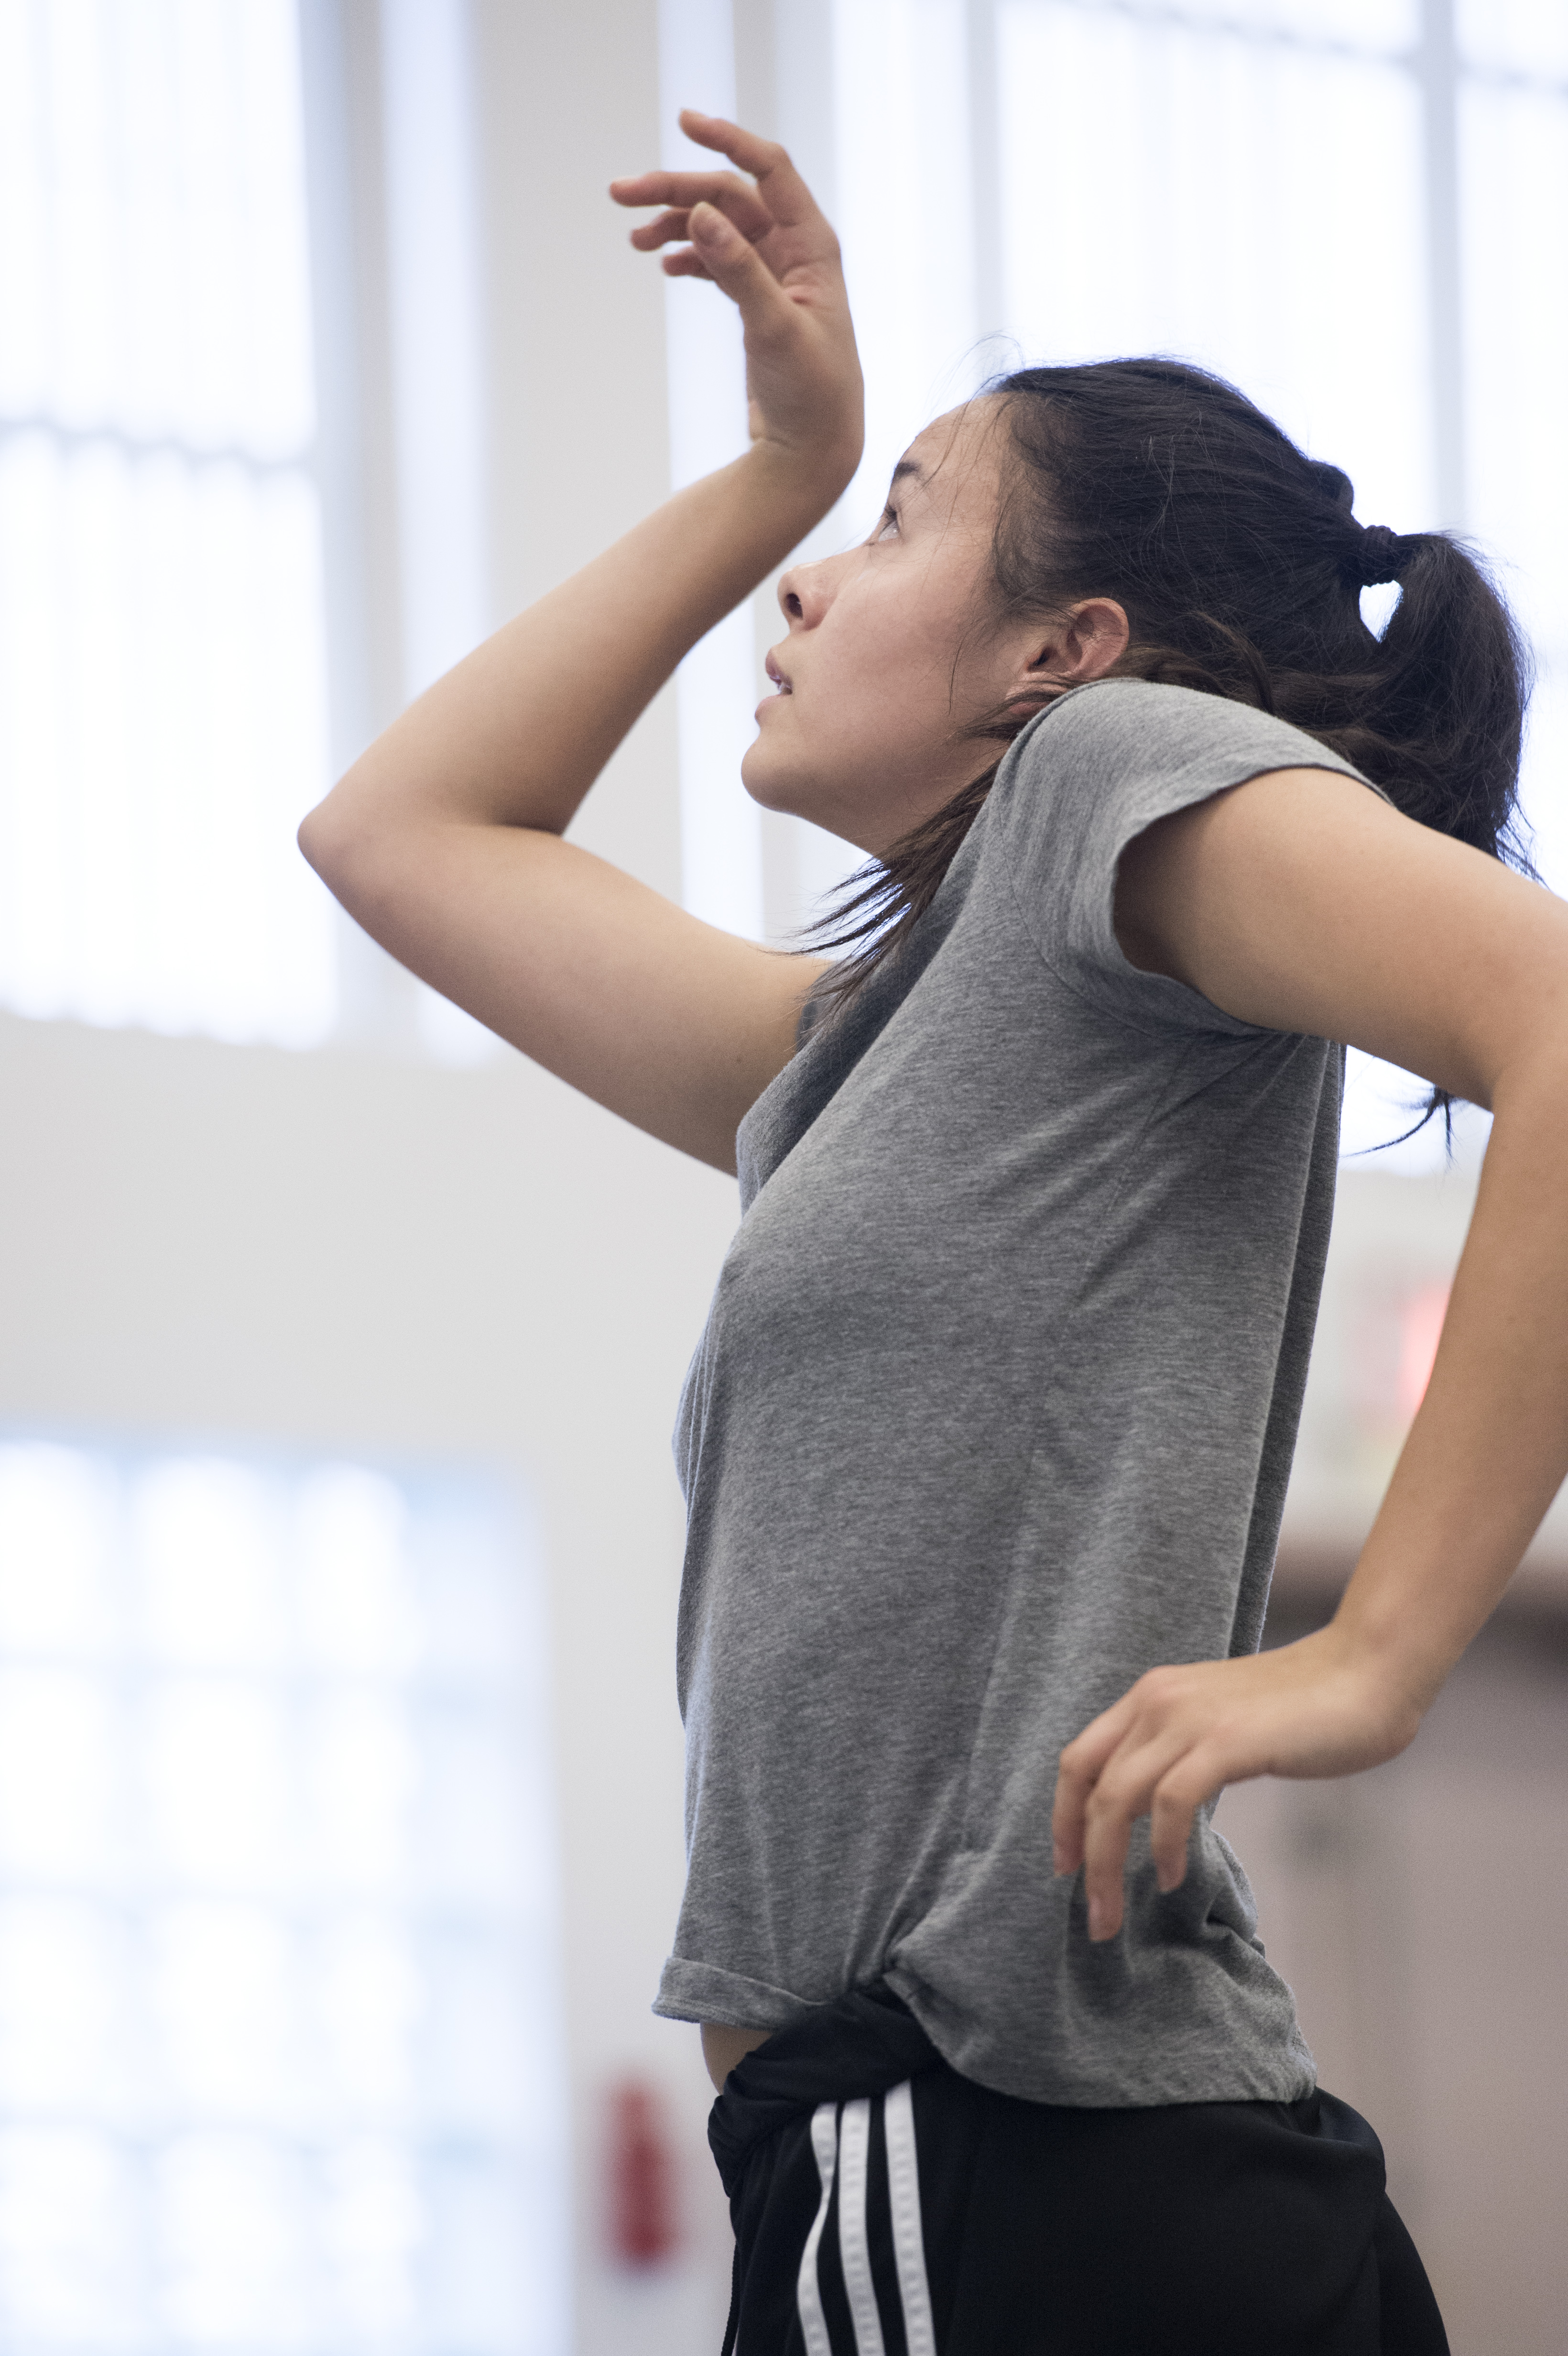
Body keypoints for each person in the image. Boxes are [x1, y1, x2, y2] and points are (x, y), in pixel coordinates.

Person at [299, 113, 1568, 2356]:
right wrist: (781, 465)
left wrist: (1379, 1653)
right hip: (996, 2165)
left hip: (987, 2146)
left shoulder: (1113, 777)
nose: (811, 587)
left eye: (895, 521)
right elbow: (402, 830)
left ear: (1054, 651)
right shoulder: (864, 1051)